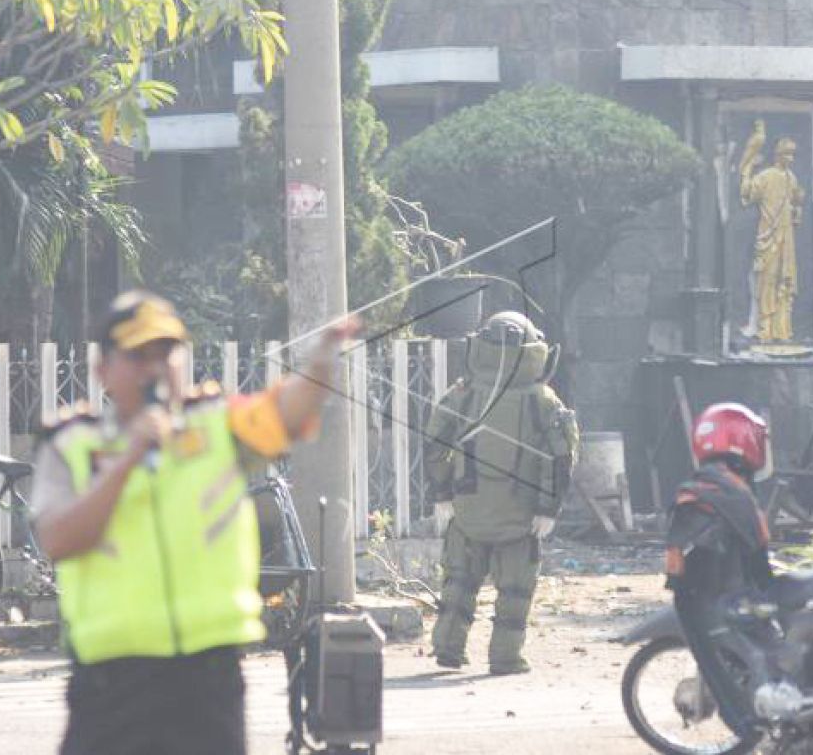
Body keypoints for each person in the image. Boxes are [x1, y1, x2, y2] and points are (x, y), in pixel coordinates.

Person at [31, 291, 357, 755]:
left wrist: (322, 360)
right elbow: (58, 538)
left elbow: (287, 414)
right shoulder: (72, 446)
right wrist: (128, 459)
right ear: (103, 371)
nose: (154, 368)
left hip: (208, 678)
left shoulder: (217, 428)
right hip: (112, 680)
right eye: (138, 355)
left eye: (166, 352)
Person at [424, 311, 579, 675]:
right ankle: (505, 658)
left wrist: (442, 494)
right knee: (514, 593)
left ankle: (448, 647)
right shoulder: (544, 400)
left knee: (459, 583)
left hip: (468, 509)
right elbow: (561, 458)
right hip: (522, 516)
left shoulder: (463, 393)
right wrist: (548, 509)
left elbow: (435, 444)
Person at [665, 402, 774, 736]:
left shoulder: (698, 490)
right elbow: (759, 553)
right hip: (733, 598)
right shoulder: (736, 491)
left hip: (705, 599)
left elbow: (678, 560)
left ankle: (747, 723)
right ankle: (750, 721)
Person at [739, 121, 805, 344]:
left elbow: (796, 201)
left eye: (793, 154)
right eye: (787, 153)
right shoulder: (766, 176)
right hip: (768, 235)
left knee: (785, 281)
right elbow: (747, 195)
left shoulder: (791, 178)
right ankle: (764, 328)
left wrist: (797, 209)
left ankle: (782, 329)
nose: (791, 158)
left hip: (787, 238)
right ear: (777, 154)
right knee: (767, 281)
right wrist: (746, 171)